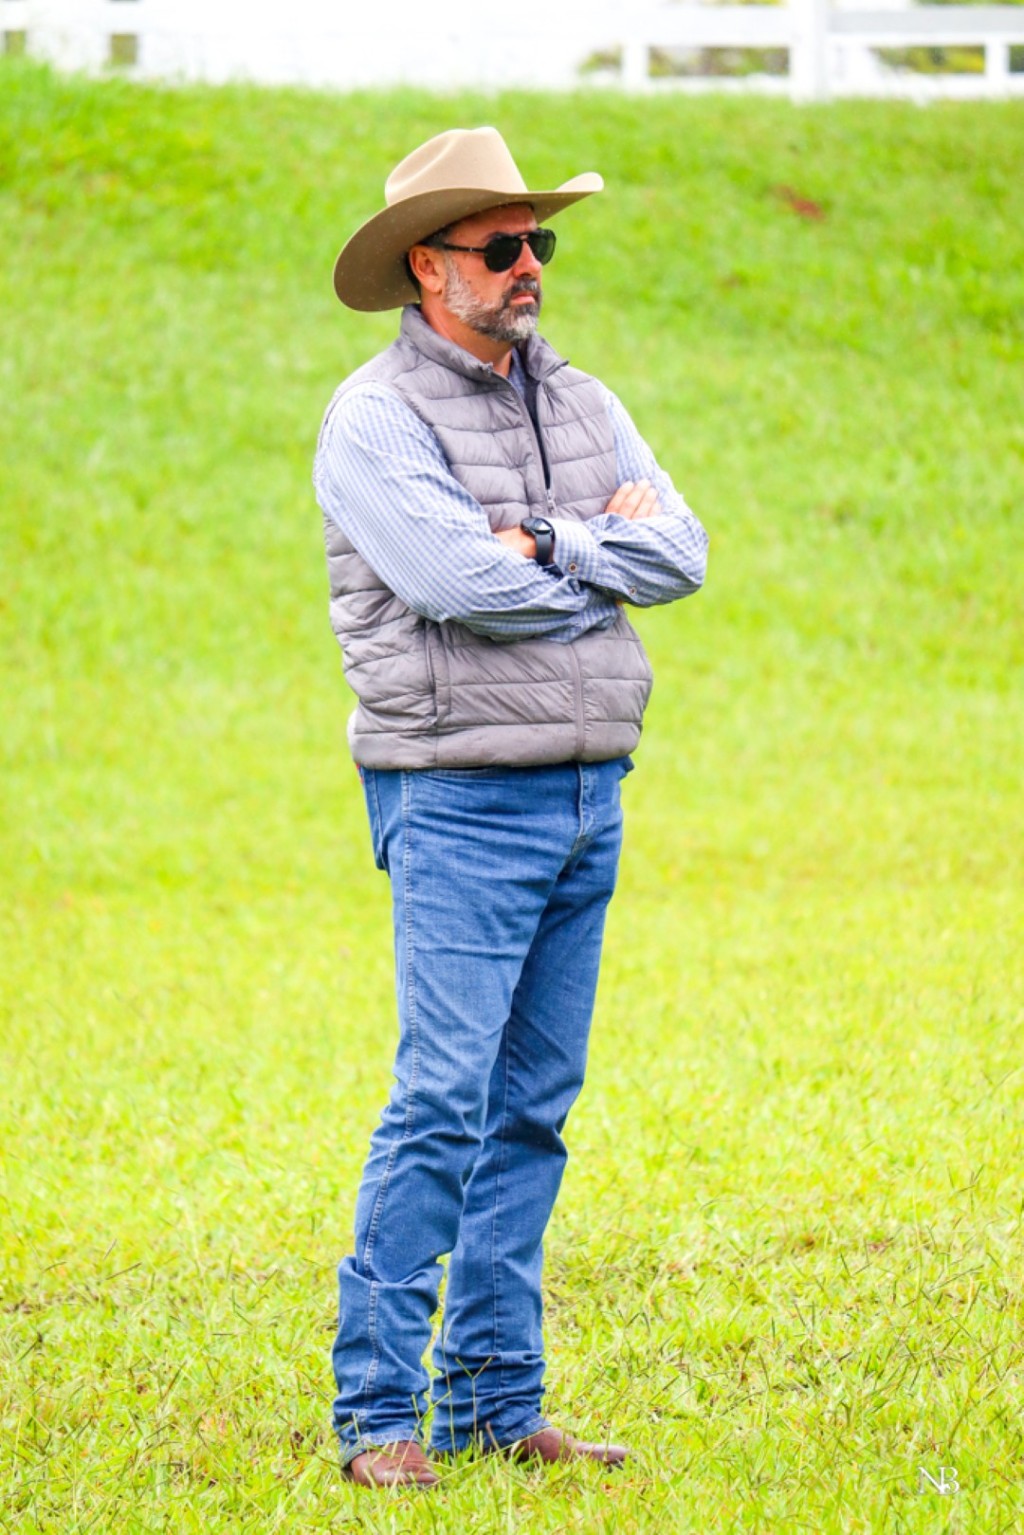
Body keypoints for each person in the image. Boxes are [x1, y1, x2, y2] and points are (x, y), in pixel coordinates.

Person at [313, 126, 708, 1489]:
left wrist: (548, 539)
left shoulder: (583, 399)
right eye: (501, 246)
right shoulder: (375, 418)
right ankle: (378, 1417)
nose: (530, 263)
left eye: (539, 241)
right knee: (443, 1101)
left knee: (532, 1108)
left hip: (591, 788)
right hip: (460, 799)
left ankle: (493, 1403)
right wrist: (604, 562)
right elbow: (453, 587)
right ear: (430, 267)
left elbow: (684, 552)